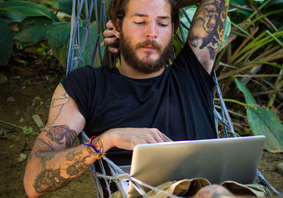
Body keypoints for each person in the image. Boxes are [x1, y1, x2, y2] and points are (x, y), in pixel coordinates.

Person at [23, 0, 264, 197]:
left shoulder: (194, 71)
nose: (151, 33)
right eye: (139, 22)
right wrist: (108, 140)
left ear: (173, 28)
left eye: (162, 23)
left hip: (229, 188)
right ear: (117, 26)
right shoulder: (86, 85)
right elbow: (33, 181)